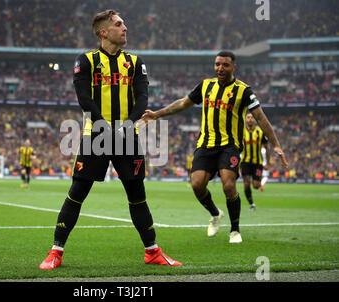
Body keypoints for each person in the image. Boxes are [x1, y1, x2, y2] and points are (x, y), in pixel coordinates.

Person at [39, 9, 181, 270]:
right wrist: (104, 126)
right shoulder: (86, 60)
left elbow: (142, 99)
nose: (125, 28)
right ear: (103, 32)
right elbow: (84, 99)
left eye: (124, 23)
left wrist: (127, 126)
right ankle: (56, 252)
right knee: (77, 192)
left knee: (137, 194)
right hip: (95, 135)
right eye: (118, 24)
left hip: (127, 136)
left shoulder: (135, 62)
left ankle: (152, 251)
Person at [141, 51, 288, 243]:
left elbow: (260, 116)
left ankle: (235, 230)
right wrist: (157, 114)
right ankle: (215, 213)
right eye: (217, 64)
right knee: (196, 185)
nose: (220, 68)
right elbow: (184, 103)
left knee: (228, 184)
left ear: (233, 67)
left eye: (225, 65)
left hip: (230, 145)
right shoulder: (205, 86)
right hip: (206, 144)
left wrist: (276, 144)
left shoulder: (244, 91)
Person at [240, 112, 271, 211]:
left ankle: (257, 181)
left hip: (258, 163)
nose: (250, 119)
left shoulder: (260, 132)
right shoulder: (241, 132)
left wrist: (268, 163)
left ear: (255, 120)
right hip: (245, 162)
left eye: (252, 117)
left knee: (256, 186)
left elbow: (267, 148)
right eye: (248, 117)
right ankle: (251, 204)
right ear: (245, 119)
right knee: (246, 183)